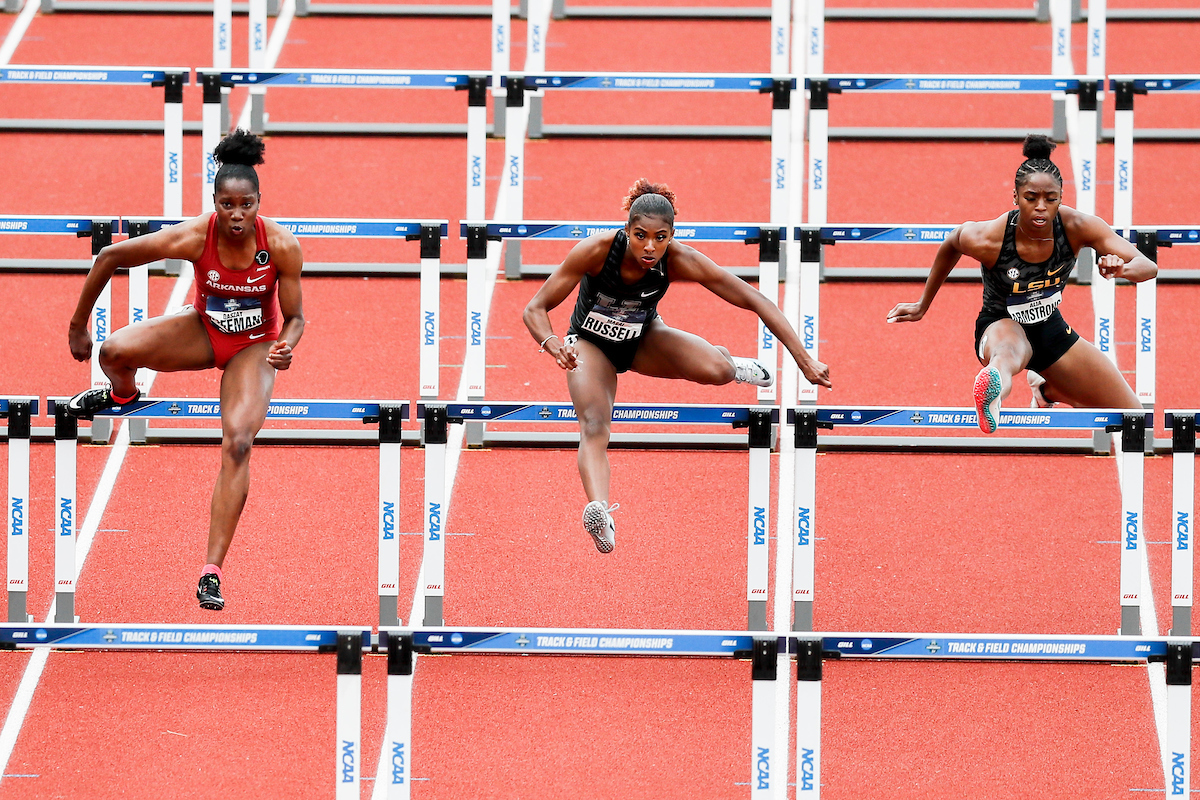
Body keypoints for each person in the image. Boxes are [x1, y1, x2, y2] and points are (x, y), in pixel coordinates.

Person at [523, 179, 832, 553]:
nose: (649, 247)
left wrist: (803, 358)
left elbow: (756, 300)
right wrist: (552, 343)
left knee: (718, 371)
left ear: (672, 236)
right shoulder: (595, 252)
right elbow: (535, 308)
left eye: (660, 238)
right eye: (640, 236)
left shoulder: (681, 260)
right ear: (626, 230)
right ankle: (601, 512)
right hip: (589, 345)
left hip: (642, 340)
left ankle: (729, 363)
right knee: (594, 424)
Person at [65, 129, 305, 610]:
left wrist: (285, 346)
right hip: (204, 330)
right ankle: (122, 396)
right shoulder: (195, 236)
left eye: (246, 205)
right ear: (214, 204)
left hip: (254, 346)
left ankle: (211, 571)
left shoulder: (281, 245)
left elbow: (296, 317)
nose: (236, 215)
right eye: (227, 205)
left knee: (238, 443)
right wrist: (77, 325)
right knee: (112, 352)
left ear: (259, 204)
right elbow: (110, 256)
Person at [886, 134, 1156, 434]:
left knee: (1135, 418)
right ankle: (993, 392)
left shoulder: (1078, 227)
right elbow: (952, 242)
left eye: (1050, 199)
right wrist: (923, 304)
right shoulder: (990, 238)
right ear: (1015, 197)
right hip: (1001, 324)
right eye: (1031, 198)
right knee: (1009, 352)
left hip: (1051, 330)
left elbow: (1148, 266)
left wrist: (1122, 269)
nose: (1041, 207)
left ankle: (1047, 391)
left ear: (1061, 198)